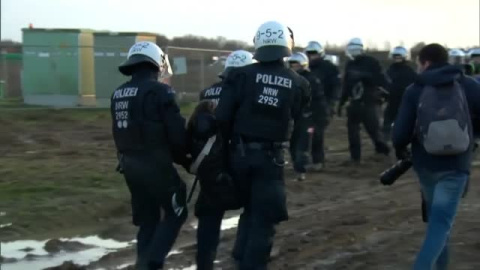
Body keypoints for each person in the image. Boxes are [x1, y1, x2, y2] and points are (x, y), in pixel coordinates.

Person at [215, 21, 309, 269]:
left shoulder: (239, 75)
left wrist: (225, 154)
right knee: (263, 218)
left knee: (248, 208)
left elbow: (222, 118)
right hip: (271, 158)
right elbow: (299, 126)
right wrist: (297, 158)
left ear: (258, 43)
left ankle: (239, 257)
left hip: (239, 154)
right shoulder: (299, 83)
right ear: (286, 45)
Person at [392, 43, 480, 270]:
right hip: (457, 166)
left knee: (437, 222)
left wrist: (401, 151)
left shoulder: (414, 89)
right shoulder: (469, 85)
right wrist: (473, 140)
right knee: (441, 224)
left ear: (425, 63)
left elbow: (400, 132)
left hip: (427, 165)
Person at [111, 41, 190, 270]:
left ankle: (142, 263)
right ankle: (152, 264)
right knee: (177, 212)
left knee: (148, 220)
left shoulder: (118, 94)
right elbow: (176, 134)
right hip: (156, 166)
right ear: (156, 65)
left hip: (129, 166)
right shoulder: (160, 91)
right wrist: (186, 159)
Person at [192, 50, 254, 270]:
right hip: (242, 160)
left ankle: (204, 264)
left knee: (209, 216)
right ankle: (240, 258)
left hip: (212, 165)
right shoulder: (250, 91)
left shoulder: (207, 93)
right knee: (253, 209)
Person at [338, 38, 390, 163]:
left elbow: (381, 80)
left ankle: (383, 151)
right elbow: (346, 85)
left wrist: (365, 76)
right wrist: (341, 103)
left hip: (369, 102)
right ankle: (355, 158)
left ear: (361, 49)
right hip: (354, 103)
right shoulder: (349, 64)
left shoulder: (372, 62)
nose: (353, 52)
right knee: (353, 133)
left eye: (355, 49)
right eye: (351, 50)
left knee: (374, 130)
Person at [287, 52, 328, 178]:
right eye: (292, 65)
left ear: (303, 65)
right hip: (294, 117)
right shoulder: (288, 78)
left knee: (303, 144)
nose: (294, 67)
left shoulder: (311, 80)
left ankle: (301, 170)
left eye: (296, 65)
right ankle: (296, 165)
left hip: (309, 117)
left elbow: (318, 100)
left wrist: (320, 117)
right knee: (293, 143)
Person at [382, 46, 417, 140]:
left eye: (399, 57)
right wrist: (383, 95)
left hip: (405, 101)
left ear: (405, 57)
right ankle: (385, 143)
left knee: (406, 123)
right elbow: (384, 84)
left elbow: (415, 85)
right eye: (395, 56)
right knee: (387, 122)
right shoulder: (389, 70)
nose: (397, 59)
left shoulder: (410, 71)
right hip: (392, 100)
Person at [305, 41, 340, 117]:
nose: (311, 56)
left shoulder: (329, 67)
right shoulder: (304, 67)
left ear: (320, 54)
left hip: (323, 103)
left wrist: (332, 104)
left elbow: (336, 85)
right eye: (309, 54)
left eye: (314, 54)